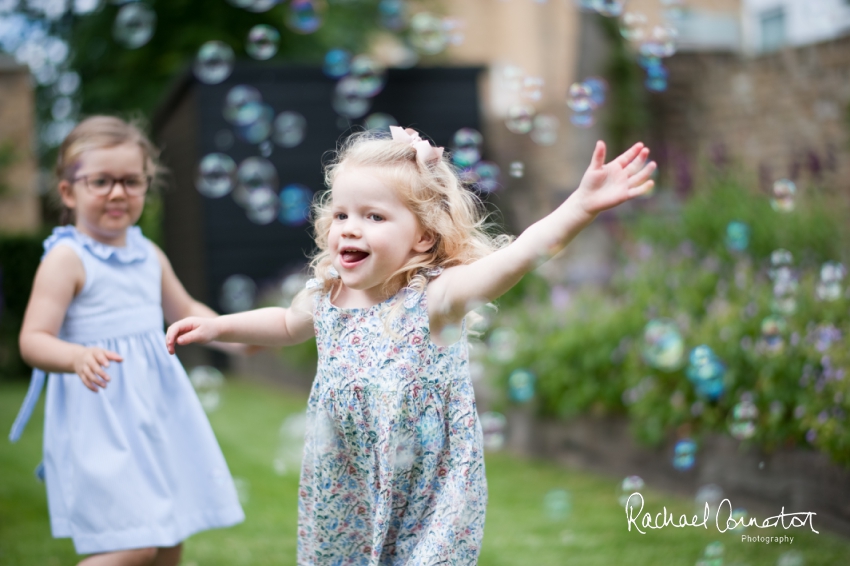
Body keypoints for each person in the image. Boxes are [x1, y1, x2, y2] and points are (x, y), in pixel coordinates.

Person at [165, 126, 656, 564]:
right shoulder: (327, 293)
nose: (350, 227)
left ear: (422, 237)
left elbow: (520, 255)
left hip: (430, 481)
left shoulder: (436, 297)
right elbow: (286, 324)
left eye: (374, 216)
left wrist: (580, 204)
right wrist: (218, 326)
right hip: (346, 476)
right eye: (341, 214)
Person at [10, 116, 245, 566]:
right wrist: (76, 355)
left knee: (170, 537)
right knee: (134, 544)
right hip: (102, 421)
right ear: (68, 192)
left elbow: (188, 312)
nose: (118, 193)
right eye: (101, 181)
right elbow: (33, 340)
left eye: (131, 182)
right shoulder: (67, 258)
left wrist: (239, 334)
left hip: (157, 412)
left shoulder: (147, 254)